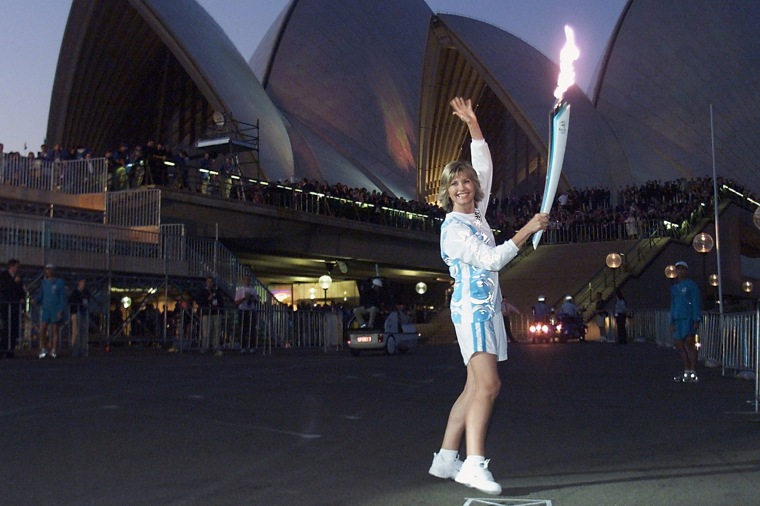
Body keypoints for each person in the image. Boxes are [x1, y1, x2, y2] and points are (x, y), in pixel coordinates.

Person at [428, 97, 548, 496]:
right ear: (446, 193)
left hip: (485, 308)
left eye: (466, 182)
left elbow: (484, 165)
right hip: (472, 312)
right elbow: (491, 260)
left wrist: (474, 126)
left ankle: (447, 458)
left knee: (472, 386)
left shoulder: (477, 216)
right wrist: (527, 229)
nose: (462, 187)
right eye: (454, 184)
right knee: (489, 386)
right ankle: (474, 464)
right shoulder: (454, 229)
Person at [669, 260, 701, 382]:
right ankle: (686, 370)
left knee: (690, 344)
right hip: (677, 319)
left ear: (686, 270)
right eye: (678, 269)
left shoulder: (692, 285)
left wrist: (696, 319)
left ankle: (692, 371)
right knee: (679, 345)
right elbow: (673, 304)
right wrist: (671, 321)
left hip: (688, 318)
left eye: (682, 268)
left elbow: (696, 302)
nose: (680, 271)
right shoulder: (675, 288)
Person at [36, 264, 67, 359]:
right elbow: (41, 295)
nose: (48, 271)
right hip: (46, 309)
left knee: (55, 330)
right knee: (42, 330)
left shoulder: (60, 282)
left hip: (56, 309)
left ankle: (53, 350)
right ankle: (44, 348)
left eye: (50, 269)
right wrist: (36, 300)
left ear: (54, 270)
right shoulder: (44, 283)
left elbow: (62, 297)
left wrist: (61, 310)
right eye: (46, 269)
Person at [0, 259, 26, 358]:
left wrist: (22, 298)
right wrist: (14, 282)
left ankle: (10, 350)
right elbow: (4, 288)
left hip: (15, 306)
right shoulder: (4, 275)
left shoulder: (19, 278)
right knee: (6, 328)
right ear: (11, 266)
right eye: (16, 267)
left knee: (14, 328)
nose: (17, 269)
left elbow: (22, 291)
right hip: (6, 305)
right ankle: (3, 349)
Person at [196, 276, 224, 355]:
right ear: (206, 282)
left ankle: (216, 348)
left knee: (217, 331)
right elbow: (198, 300)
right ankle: (205, 347)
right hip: (207, 313)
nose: (210, 283)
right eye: (208, 281)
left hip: (216, 313)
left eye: (211, 281)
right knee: (206, 332)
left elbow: (221, 301)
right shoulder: (203, 291)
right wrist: (207, 299)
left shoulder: (217, 291)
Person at [234, 275, 259, 352]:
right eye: (245, 280)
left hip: (251, 310)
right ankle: (243, 346)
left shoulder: (253, 290)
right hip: (243, 309)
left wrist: (252, 298)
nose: (247, 281)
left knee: (252, 329)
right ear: (243, 281)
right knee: (242, 329)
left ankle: (252, 346)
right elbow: (236, 302)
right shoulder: (240, 290)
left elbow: (256, 301)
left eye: (248, 280)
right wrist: (244, 298)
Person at [68, 278, 91, 357]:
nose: (83, 283)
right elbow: (71, 301)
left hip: (84, 313)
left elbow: (88, 299)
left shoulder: (86, 292)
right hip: (76, 313)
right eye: (82, 282)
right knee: (76, 332)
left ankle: (83, 349)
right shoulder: (75, 292)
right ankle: (75, 349)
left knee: (84, 332)